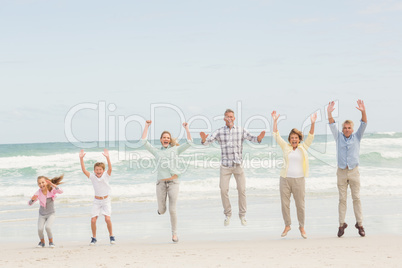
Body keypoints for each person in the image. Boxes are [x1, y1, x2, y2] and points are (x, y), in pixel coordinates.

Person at [200, 109, 265, 226]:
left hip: (238, 166)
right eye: (227, 117)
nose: (229, 118)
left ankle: (242, 215)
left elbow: (252, 138)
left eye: (231, 116)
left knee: (242, 190)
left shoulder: (240, 130)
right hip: (225, 167)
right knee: (224, 190)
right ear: (224, 118)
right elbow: (208, 141)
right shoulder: (219, 131)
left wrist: (259, 138)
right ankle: (228, 214)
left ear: (234, 118)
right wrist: (204, 139)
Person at [141, 120, 192, 243]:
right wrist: (147, 126)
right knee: (162, 210)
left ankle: (174, 234)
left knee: (172, 209)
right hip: (161, 184)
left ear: (169, 140)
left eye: (168, 138)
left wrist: (186, 128)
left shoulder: (175, 149)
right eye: (164, 137)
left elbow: (189, 142)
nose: (166, 139)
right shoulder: (156, 151)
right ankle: (160, 210)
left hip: (174, 183)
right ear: (160, 139)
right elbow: (144, 142)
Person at [271, 111, 317, 239]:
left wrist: (313, 123)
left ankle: (302, 227)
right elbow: (276, 135)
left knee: (300, 205)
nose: (294, 140)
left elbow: (311, 137)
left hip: (299, 180)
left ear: (299, 139)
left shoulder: (303, 147)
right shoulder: (285, 147)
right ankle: (287, 225)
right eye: (292, 138)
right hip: (285, 179)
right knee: (285, 204)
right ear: (289, 140)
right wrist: (275, 120)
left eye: (296, 138)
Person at [327, 100, 367, 237]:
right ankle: (341, 224)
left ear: (352, 129)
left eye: (349, 128)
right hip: (341, 172)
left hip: (354, 172)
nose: (347, 130)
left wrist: (363, 111)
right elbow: (332, 124)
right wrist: (329, 112)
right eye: (345, 128)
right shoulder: (338, 137)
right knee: (342, 199)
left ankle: (360, 224)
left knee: (356, 198)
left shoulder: (357, 137)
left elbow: (364, 124)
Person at [79, 148, 115, 245]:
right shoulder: (92, 177)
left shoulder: (106, 176)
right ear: (94, 170)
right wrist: (81, 159)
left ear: (103, 170)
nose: (98, 171)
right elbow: (83, 170)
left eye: (100, 169)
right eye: (96, 169)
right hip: (97, 201)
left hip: (106, 200)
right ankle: (94, 238)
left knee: (107, 219)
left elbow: (110, 169)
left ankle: (111, 236)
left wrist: (108, 158)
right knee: (93, 220)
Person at [28, 175, 64, 248]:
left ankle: (51, 242)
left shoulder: (51, 190)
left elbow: (61, 191)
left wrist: (52, 184)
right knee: (40, 229)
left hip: (51, 213)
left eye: (43, 182)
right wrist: (32, 199)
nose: (41, 184)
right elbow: (30, 203)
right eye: (39, 183)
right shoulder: (38, 192)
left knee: (48, 227)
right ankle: (42, 242)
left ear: (46, 182)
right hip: (42, 214)